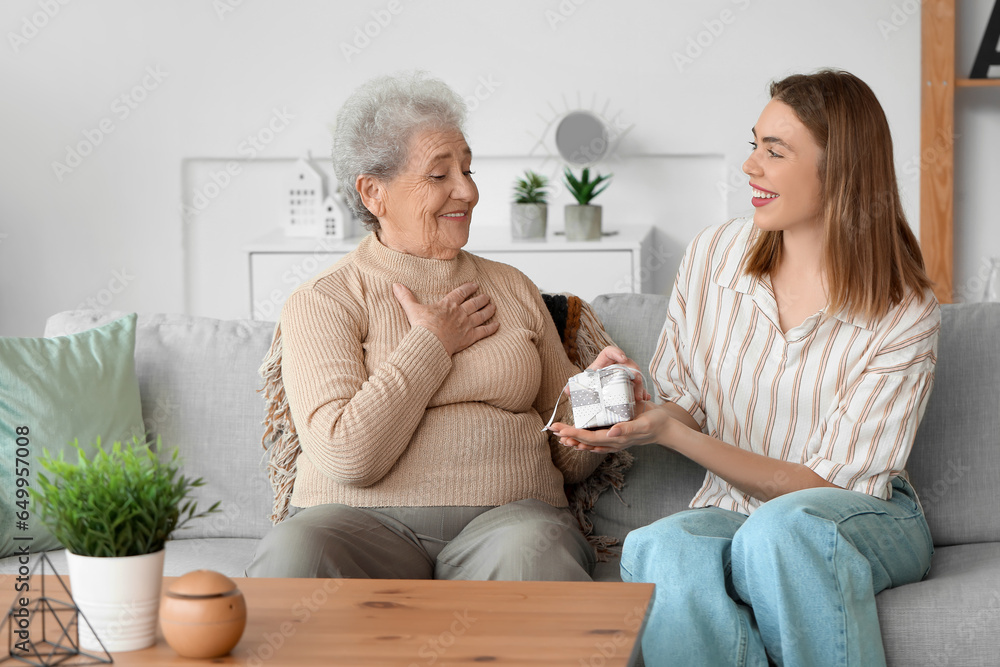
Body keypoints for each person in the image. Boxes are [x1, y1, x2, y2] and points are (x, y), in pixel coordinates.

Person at [550, 69, 939, 666]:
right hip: (734, 511)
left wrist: (674, 434)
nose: (749, 166)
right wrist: (639, 412)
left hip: (863, 514)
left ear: (841, 171)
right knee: (662, 546)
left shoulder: (902, 310)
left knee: (782, 531)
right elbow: (688, 402)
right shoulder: (714, 255)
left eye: (774, 151)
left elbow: (820, 489)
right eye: (753, 143)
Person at [247, 71, 613, 582]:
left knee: (539, 554)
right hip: (356, 524)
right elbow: (347, 455)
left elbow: (569, 455)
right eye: (439, 176)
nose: (467, 191)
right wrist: (432, 344)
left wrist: (605, 393)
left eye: (468, 169)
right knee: (297, 554)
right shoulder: (324, 299)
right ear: (374, 192)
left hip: (509, 521)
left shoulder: (511, 287)